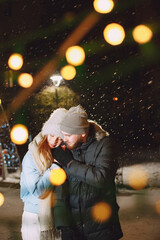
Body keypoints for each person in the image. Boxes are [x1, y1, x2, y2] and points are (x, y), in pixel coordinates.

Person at [52, 105, 123, 240]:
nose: (64, 138)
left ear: (82, 133)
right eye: (63, 134)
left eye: (68, 135)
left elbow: (101, 178)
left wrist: (70, 164)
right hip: (74, 229)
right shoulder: (67, 148)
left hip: (102, 227)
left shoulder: (105, 145)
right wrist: (64, 225)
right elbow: (59, 189)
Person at [20, 108, 68, 240]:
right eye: (52, 135)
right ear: (46, 132)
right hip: (34, 216)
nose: (54, 141)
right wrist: (55, 167)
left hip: (58, 217)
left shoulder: (64, 155)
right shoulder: (32, 155)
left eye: (60, 138)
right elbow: (38, 191)